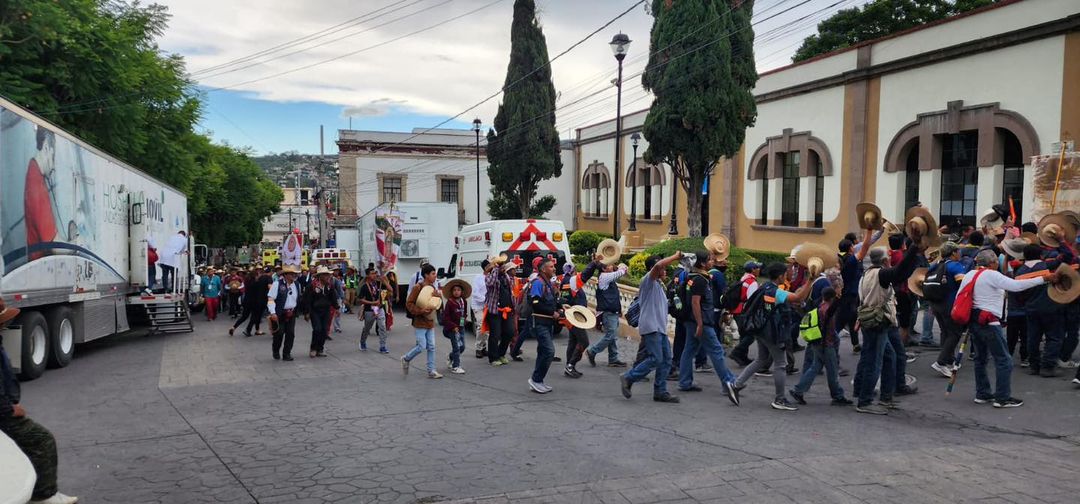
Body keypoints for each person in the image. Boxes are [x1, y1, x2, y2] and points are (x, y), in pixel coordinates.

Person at [1, 299, 79, 504]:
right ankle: (44, 496)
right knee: (43, 440)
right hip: (4, 414)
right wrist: (9, 410)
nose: (5, 324)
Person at [963, 250, 1052, 408]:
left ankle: (982, 393)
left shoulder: (970, 274)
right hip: (989, 321)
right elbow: (1016, 286)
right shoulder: (991, 274)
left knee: (980, 359)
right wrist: (1042, 279)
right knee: (1004, 360)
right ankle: (1002, 397)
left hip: (974, 320)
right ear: (992, 263)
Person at [731, 263, 814, 411]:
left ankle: (736, 385)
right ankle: (779, 399)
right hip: (773, 333)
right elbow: (798, 297)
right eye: (786, 272)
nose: (789, 274)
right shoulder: (777, 292)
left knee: (761, 359)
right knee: (781, 364)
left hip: (761, 329)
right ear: (780, 276)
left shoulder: (764, 287)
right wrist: (810, 280)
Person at [852, 245, 921, 415]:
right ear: (885, 260)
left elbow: (861, 298)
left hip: (873, 321)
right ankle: (865, 401)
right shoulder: (881, 274)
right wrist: (914, 249)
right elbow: (901, 272)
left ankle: (884, 396)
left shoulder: (867, 273)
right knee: (874, 362)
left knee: (888, 357)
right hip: (878, 323)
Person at [676, 252, 740, 406]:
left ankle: (685, 382)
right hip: (701, 322)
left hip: (693, 321)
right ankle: (729, 382)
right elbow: (695, 303)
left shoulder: (693, 277)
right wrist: (700, 324)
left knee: (690, 349)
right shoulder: (700, 280)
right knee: (716, 351)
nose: (713, 262)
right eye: (710, 260)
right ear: (703, 264)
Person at [620, 251, 683, 403]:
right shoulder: (647, 281)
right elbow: (658, 265)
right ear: (653, 269)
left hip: (660, 328)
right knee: (655, 358)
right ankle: (629, 377)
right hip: (651, 327)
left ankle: (660, 391)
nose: (665, 270)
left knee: (667, 360)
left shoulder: (659, 285)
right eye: (662, 268)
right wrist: (674, 256)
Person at [790, 287, 852, 406]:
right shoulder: (828, 310)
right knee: (833, 371)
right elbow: (834, 309)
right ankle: (837, 395)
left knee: (815, 367)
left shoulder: (819, 307)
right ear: (832, 298)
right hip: (826, 344)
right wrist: (841, 297)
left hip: (817, 342)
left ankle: (798, 390)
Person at [1015, 245, 1066, 377]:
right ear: (1041, 255)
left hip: (1030, 308)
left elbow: (1018, 293)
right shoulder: (1047, 267)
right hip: (1051, 307)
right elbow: (1065, 258)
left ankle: (1034, 366)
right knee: (1054, 337)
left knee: (1033, 338)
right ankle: (1047, 366)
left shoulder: (1020, 271)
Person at [928, 242, 969, 378]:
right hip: (950, 305)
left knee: (945, 331)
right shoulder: (955, 266)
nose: (960, 254)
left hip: (936, 304)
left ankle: (949, 359)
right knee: (955, 333)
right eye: (958, 251)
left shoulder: (937, 265)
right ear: (953, 253)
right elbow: (963, 283)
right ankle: (941, 362)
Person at [583, 257, 628, 367]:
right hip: (607, 311)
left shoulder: (607, 278)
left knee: (612, 336)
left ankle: (613, 358)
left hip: (612, 310)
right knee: (610, 335)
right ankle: (592, 351)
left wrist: (619, 310)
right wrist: (621, 267)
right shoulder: (604, 277)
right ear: (603, 269)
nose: (611, 266)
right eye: (609, 265)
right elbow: (622, 271)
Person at [835, 232, 874, 354]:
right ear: (850, 248)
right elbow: (865, 247)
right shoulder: (851, 260)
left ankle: (855, 344)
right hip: (849, 296)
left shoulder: (839, 258)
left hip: (846, 294)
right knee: (839, 323)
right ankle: (826, 344)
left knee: (853, 319)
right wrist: (869, 230)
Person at [527, 259, 560, 393]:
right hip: (540, 323)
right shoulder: (537, 283)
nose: (554, 269)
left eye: (554, 266)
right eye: (551, 267)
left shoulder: (548, 283)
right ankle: (535, 379)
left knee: (542, 352)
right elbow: (535, 303)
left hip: (547, 323)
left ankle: (538, 380)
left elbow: (551, 301)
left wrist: (561, 307)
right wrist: (552, 312)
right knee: (549, 351)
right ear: (543, 269)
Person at [403, 264, 442, 379]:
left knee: (432, 346)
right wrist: (420, 310)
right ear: (426, 275)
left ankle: (431, 370)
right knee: (421, 346)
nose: (435, 276)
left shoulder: (433, 287)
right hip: (419, 322)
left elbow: (435, 303)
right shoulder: (417, 287)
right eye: (433, 274)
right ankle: (406, 358)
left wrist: (438, 297)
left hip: (430, 321)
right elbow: (409, 303)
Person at [728, 261, 762, 366]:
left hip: (737, 310)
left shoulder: (743, 278)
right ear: (753, 270)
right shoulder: (752, 282)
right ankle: (736, 352)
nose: (759, 270)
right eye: (757, 268)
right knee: (751, 335)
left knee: (744, 334)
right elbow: (752, 299)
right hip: (744, 311)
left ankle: (743, 358)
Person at [561, 263, 590, 378]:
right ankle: (570, 365)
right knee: (584, 341)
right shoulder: (570, 281)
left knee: (573, 341)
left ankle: (569, 366)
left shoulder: (567, 280)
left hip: (575, 315)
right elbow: (567, 299)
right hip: (575, 316)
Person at [485, 261, 517, 366]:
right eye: (500, 266)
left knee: (510, 332)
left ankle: (501, 354)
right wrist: (495, 270)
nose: (503, 268)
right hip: (495, 310)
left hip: (507, 310)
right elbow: (490, 283)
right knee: (495, 334)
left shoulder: (506, 277)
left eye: (503, 266)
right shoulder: (490, 277)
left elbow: (512, 286)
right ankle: (493, 358)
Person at [302, 266, 338, 358]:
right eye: (325, 275)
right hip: (315, 311)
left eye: (328, 275)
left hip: (326, 311)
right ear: (320, 276)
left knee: (324, 330)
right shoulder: (312, 286)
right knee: (317, 329)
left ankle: (320, 349)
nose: (328, 277)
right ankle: (313, 348)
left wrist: (337, 308)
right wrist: (306, 312)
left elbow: (333, 298)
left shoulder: (330, 286)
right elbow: (307, 300)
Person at [268, 266, 301, 361]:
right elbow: (270, 299)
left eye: (294, 273)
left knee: (290, 334)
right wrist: (273, 313)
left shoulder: (297, 284)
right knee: (279, 334)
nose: (293, 275)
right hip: (279, 313)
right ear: (285, 275)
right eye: (291, 274)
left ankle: (287, 353)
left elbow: (298, 298)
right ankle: (275, 350)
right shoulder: (277, 284)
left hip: (291, 313)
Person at [231, 267, 271, 337]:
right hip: (256, 301)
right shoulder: (258, 281)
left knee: (244, 316)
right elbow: (268, 288)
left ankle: (234, 327)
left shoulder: (247, 280)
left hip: (246, 300)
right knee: (255, 316)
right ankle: (248, 330)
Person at [358, 267, 388, 353]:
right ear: (367, 275)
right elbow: (360, 299)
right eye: (372, 273)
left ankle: (383, 346)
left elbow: (390, 290)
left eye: (375, 273)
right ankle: (362, 342)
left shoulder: (379, 283)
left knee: (382, 327)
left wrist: (384, 280)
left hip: (379, 308)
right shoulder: (364, 286)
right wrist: (372, 302)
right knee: (367, 328)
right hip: (369, 310)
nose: (374, 275)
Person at [443, 283, 468, 374]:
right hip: (452, 329)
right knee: (456, 347)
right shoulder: (450, 302)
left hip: (460, 328)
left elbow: (464, 314)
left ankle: (450, 357)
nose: (456, 292)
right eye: (454, 290)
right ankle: (456, 366)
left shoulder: (463, 301)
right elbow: (445, 318)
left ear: (462, 292)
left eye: (458, 290)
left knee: (462, 347)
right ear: (451, 292)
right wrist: (453, 326)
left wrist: (462, 324)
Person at [471, 260, 492, 359]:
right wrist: (485, 300)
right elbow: (475, 293)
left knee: (487, 328)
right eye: (488, 266)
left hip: (488, 306)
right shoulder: (478, 278)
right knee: (480, 326)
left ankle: (483, 347)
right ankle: (478, 348)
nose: (490, 267)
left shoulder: (492, 277)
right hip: (478, 306)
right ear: (484, 267)